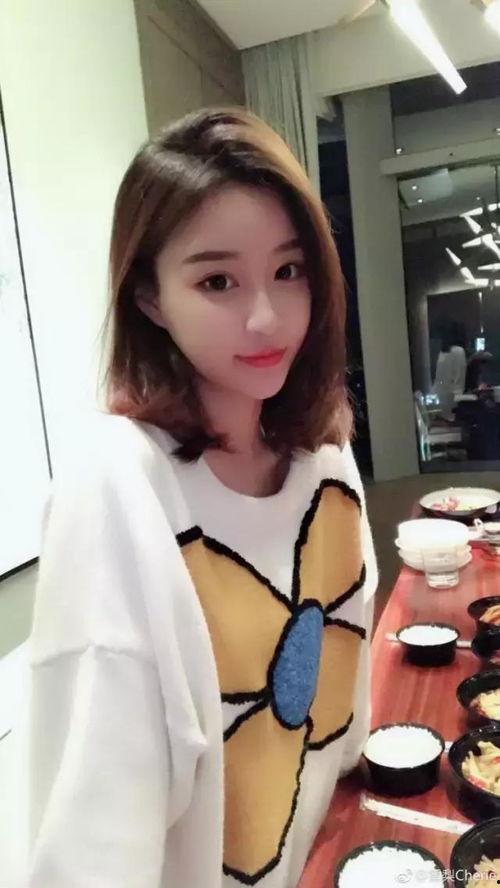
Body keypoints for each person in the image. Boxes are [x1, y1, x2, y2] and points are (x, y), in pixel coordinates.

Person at [26, 108, 378, 888]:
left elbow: (341, 721)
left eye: (289, 270)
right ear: (150, 297)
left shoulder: (325, 458)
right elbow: (93, 841)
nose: (266, 317)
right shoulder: (118, 488)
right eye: (217, 280)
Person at [432, 321, 467, 421]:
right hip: (451, 397)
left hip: (438, 395)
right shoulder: (459, 351)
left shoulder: (443, 352)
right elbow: (459, 376)